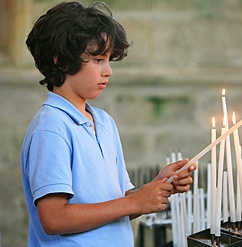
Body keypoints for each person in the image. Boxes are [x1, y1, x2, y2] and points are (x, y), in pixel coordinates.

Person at [20, 1, 196, 246]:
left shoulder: (104, 122)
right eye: (97, 60)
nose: (108, 71)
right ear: (61, 61)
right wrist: (133, 202)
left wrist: (156, 188)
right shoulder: (51, 127)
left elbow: (118, 204)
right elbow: (54, 219)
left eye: (109, 60)